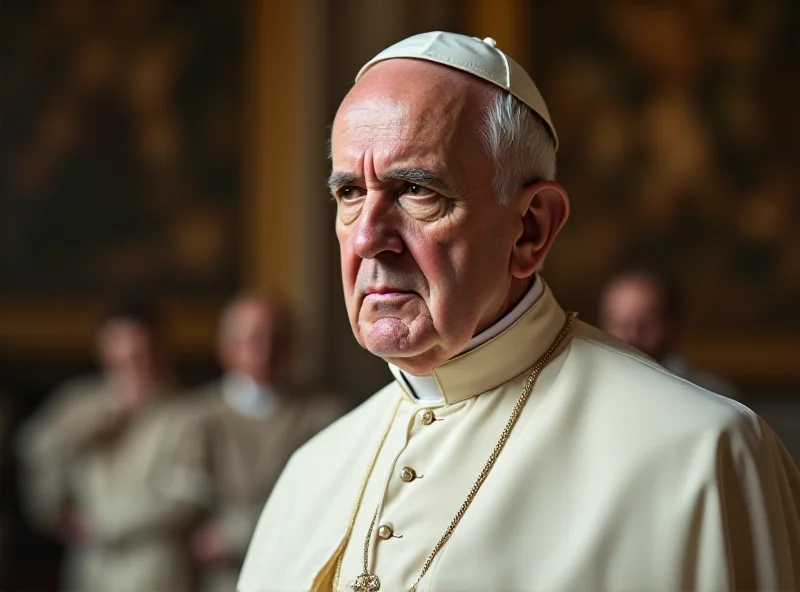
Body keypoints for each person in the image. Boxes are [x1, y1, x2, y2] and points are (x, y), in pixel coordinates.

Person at [239, 32, 800, 591]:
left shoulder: (703, 456)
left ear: (531, 229)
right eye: (350, 193)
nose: (366, 238)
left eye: (415, 189)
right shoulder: (311, 471)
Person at [17, 301, 205, 592]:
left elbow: (186, 495)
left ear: (160, 350)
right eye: (120, 354)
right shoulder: (79, 403)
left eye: (140, 353)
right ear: (104, 352)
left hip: (156, 566)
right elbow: (34, 454)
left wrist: (103, 526)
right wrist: (57, 515)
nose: (131, 364)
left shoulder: (188, 413)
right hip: (88, 565)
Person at [188, 293, 344, 592]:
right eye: (253, 339)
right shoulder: (198, 418)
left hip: (296, 570)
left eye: (277, 339)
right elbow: (184, 501)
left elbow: (322, 498)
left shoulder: (325, 415)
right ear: (227, 347)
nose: (266, 351)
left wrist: (236, 533)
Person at [599, 268, 740, 398]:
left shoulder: (713, 397)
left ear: (675, 326)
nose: (632, 336)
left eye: (647, 323)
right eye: (620, 324)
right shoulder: (594, 392)